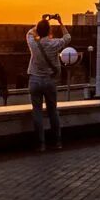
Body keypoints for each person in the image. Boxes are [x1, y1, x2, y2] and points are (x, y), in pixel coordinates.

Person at [26, 13, 71, 151]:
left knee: (37, 112)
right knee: (53, 111)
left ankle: (41, 144)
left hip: (35, 80)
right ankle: (57, 142)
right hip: (50, 81)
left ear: (38, 30)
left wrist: (42, 22)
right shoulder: (54, 44)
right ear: (50, 31)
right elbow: (67, 37)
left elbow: (29, 32)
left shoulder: (33, 43)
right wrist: (60, 21)